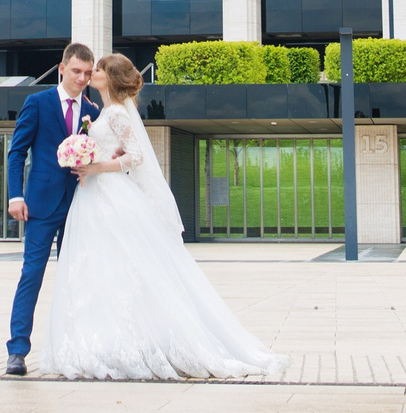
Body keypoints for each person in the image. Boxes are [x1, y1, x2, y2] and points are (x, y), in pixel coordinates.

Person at [31, 54, 283, 381]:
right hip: (92, 196)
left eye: (98, 69)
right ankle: (100, 342)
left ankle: (132, 345)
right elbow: (116, 152)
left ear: (110, 77)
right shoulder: (103, 113)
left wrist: (97, 167)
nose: (92, 73)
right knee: (99, 272)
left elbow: (135, 157)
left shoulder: (119, 114)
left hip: (110, 196)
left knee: (121, 271)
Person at [3, 42, 101, 376]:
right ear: (62, 69)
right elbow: (17, 153)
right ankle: (17, 351)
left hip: (79, 206)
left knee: (77, 279)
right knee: (31, 275)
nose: (82, 79)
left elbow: (95, 154)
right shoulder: (37, 103)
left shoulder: (94, 110)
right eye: (76, 72)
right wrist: (16, 196)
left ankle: (77, 349)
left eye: (88, 74)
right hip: (41, 206)